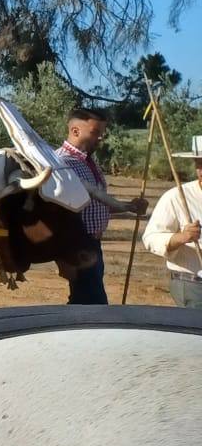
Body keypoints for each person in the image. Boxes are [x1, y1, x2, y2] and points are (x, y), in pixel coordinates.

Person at [54, 106, 150, 305]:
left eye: (102, 133)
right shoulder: (61, 163)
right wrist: (62, 256)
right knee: (93, 302)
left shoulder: (89, 161)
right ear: (75, 131)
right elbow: (57, 212)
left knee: (85, 300)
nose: (100, 138)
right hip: (76, 246)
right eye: (95, 132)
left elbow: (97, 202)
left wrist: (128, 207)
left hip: (93, 244)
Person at [142, 135, 202, 309]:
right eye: (199, 164)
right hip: (194, 286)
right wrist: (182, 237)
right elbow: (151, 238)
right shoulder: (177, 196)